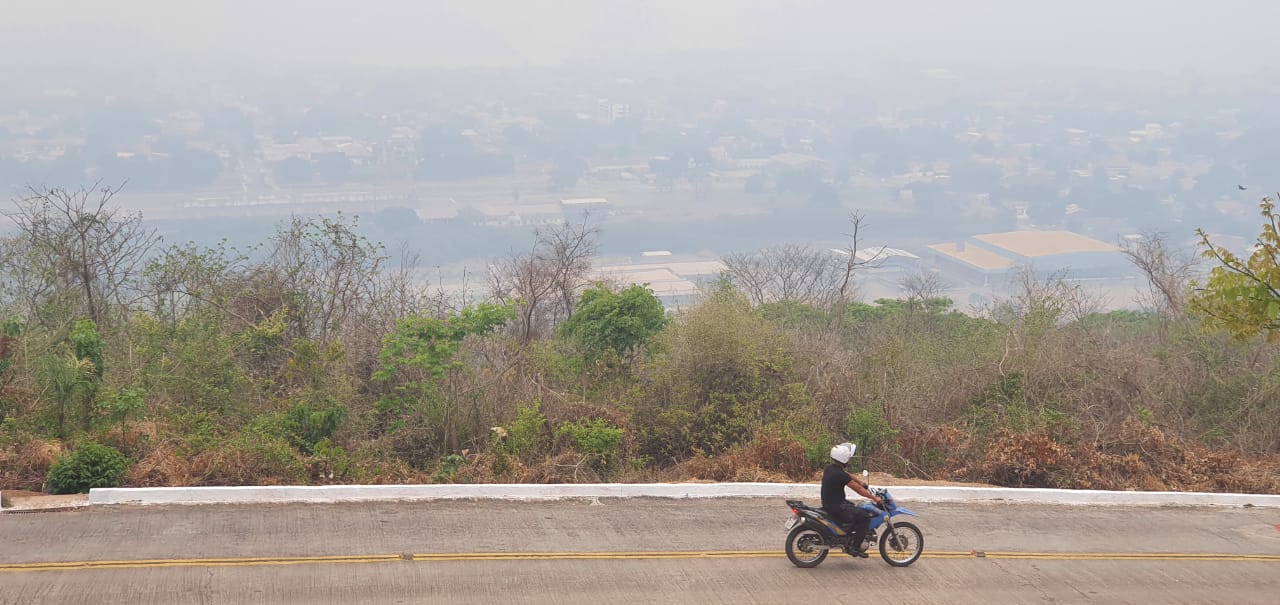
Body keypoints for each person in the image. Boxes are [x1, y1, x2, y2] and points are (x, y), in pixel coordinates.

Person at [821, 442, 883, 557]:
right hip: (837, 507)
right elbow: (858, 489)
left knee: (855, 509)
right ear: (844, 458)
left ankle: (849, 537)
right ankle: (854, 547)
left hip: (830, 504)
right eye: (848, 457)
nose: (849, 460)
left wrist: (860, 481)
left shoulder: (830, 469)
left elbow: (848, 475)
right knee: (864, 517)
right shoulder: (839, 474)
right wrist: (875, 498)